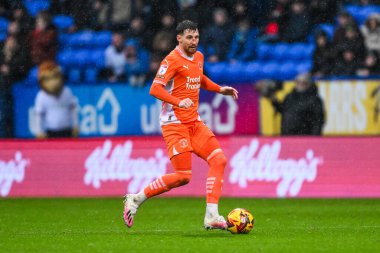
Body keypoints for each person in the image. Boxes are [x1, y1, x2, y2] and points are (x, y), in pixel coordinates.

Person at [123, 20, 238, 230]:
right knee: (183, 176)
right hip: (174, 123)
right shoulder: (171, 60)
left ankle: (212, 215)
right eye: (189, 37)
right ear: (179, 38)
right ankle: (136, 199)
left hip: (193, 121)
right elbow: (155, 89)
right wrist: (177, 101)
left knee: (219, 160)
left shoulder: (199, 56)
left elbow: (198, 77)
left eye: (196, 37)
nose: (194, 41)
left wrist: (219, 89)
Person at [34, 61, 79, 138]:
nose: (53, 82)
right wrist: (39, 131)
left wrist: (76, 125)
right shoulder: (41, 96)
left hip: (67, 130)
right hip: (51, 132)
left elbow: (73, 109)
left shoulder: (67, 92)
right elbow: (39, 115)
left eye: (55, 77)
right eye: (48, 78)